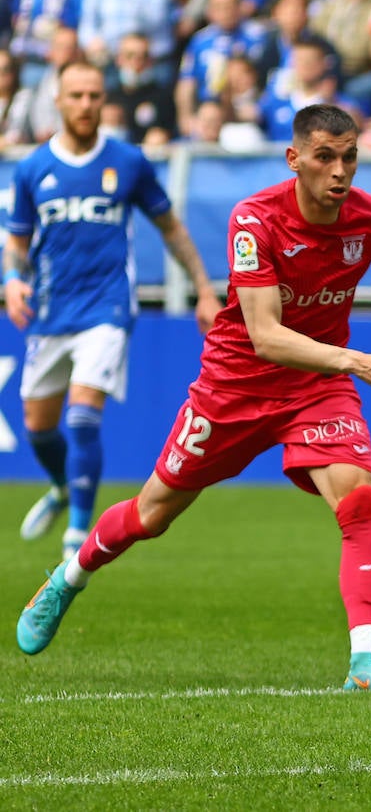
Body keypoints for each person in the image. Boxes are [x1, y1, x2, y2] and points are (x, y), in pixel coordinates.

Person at [15, 103, 371, 695]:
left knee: (358, 499)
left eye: (350, 157)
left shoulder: (370, 218)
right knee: (152, 514)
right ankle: (68, 579)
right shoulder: (255, 219)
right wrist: (357, 361)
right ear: (294, 158)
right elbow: (265, 334)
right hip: (235, 385)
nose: (340, 171)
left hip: (316, 385)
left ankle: (364, 663)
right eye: (325, 157)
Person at [4, 62, 221, 561]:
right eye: (76, 95)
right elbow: (16, 243)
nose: (86, 105)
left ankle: (77, 535)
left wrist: (205, 290)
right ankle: (61, 487)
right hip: (52, 312)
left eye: (94, 96)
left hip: (106, 308)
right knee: (38, 425)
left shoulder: (127, 162)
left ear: (105, 101)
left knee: (83, 417)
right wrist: (12, 280)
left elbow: (171, 228)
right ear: (58, 100)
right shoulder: (35, 168)